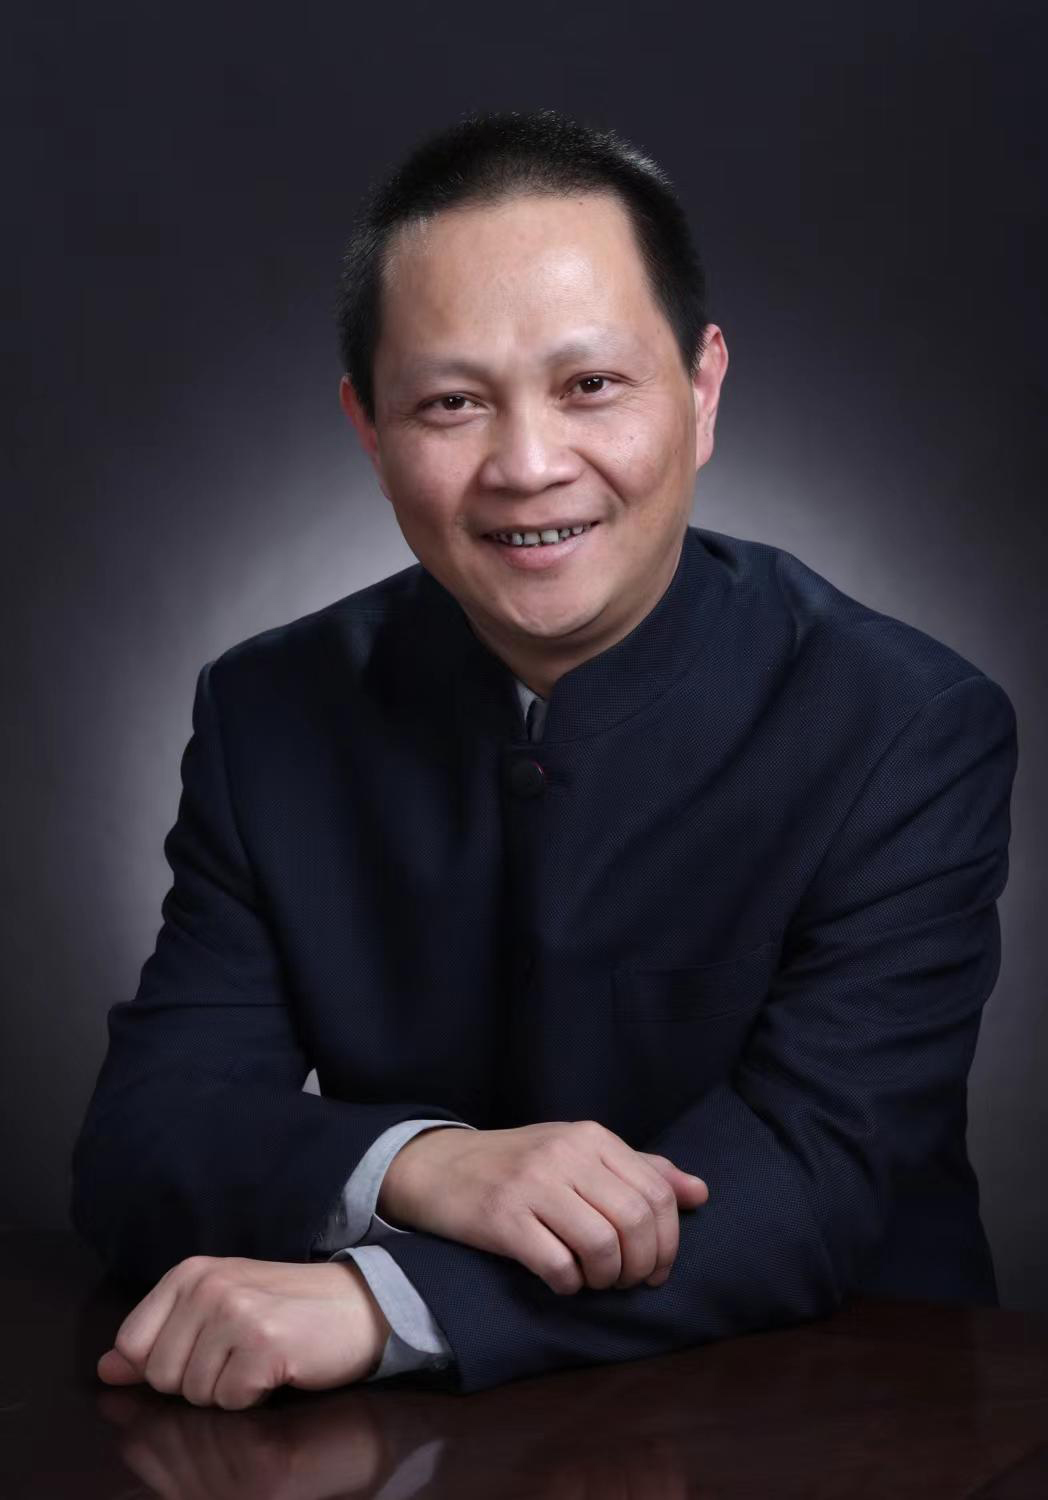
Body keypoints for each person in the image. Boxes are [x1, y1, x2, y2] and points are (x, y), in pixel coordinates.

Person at [70, 108, 1019, 1410]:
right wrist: (424, 1164)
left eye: (592, 387)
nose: (526, 466)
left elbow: (809, 1179)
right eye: (451, 403)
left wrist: (386, 1300)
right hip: (414, 1455)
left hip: (840, 1412)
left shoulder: (907, 722)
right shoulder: (268, 710)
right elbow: (145, 1141)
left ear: (703, 390)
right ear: (369, 430)